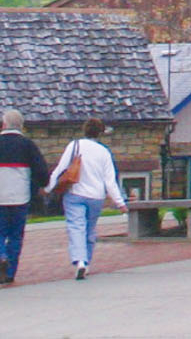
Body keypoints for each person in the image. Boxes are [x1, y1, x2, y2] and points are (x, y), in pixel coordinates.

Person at [0, 108, 49, 286]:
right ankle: (10, 272)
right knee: (16, 235)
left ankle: (0, 256)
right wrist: (39, 185)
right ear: (21, 126)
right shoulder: (28, 145)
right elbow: (42, 173)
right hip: (20, 197)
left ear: (3, 124)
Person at [50, 117, 128, 279]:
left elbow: (60, 169)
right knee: (89, 230)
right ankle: (87, 262)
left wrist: (48, 187)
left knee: (76, 227)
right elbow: (110, 181)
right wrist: (120, 202)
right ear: (100, 133)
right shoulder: (104, 152)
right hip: (96, 197)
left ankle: (80, 261)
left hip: (75, 193)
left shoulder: (75, 146)